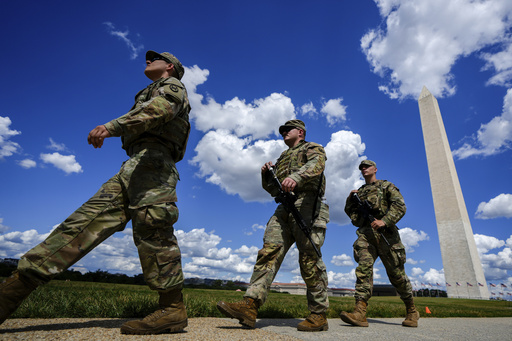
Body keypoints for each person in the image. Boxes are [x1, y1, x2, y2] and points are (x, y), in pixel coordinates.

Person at [0, 50, 191, 335]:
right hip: (134, 166)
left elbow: (161, 109)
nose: (148, 60)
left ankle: (172, 310)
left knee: (154, 233)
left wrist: (112, 126)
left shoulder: (172, 87)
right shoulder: (149, 89)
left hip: (155, 167)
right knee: (81, 225)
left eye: (155, 58)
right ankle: (9, 295)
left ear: (170, 67)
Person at [217, 119, 330, 332]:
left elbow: (317, 165)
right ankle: (250, 306)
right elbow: (273, 189)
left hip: (308, 205)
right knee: (268, 252)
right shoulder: (283, 157)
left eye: (288, 130)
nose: (284, 133)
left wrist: (296, 177)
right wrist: (266, 175)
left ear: (301, 132)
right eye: (282, 131)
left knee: (309, 259)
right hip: (284, 207)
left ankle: (318, 314)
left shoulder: (312, 148)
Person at [340, 160, 420, 327]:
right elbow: (353, 217)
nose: (363, 169)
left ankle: (412, 310)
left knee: (397, 275)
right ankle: (359, 312)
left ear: (375, 169)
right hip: (366, 235)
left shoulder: (386, 186)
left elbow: (400, 206)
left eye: (367, 166)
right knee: (363, 270)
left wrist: (385, 221)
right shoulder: (359, 192)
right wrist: (349, 200)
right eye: (361, 167)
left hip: (387, 235)